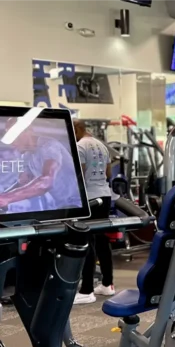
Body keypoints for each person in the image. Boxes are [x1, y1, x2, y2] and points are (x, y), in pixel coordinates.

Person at [0, 117, 81, 213]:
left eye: (13, 136)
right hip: (62, 207)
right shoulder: (26, 155)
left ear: (28, 131)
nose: (12, 144)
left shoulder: (49, 146)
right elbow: (23, 182)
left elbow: (46, 181)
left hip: (77, 204)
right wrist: (3, 197)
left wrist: (6, 198)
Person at [73, 120, 115, 304]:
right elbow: (108, 174)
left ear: (77, 129)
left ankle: (87, 289)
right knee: (102, 240)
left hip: (89, 199)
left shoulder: (80, 146)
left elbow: (79, 174)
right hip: (104, 195)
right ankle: (107, 285)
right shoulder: (101, 145)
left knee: (87, 240)